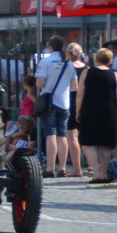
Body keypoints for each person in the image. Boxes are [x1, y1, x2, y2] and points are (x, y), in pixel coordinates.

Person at [34, 37, 76, 178]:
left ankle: (50, 168)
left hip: (50, 103)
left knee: (50, 134)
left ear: (50, 47)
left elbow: (40, 84)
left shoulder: (46, 61)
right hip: (64, 103)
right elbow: (74, 86)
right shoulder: (68, 63)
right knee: (62, 135)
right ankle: (62, 168)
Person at [76, 48, 117, 184]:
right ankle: (104, 173)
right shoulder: (114, 74)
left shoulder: (87, 72)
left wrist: (78, 111)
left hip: (90, 110)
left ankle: (96, 172)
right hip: (109, 111)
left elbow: (80, 93)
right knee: (105, 144)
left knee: (89, 143)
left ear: (97, 58)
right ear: (109, 60)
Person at [66, 42, 89, 178]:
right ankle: (91, 165)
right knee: (85, 135)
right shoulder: (87, 68)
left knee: (72, 137)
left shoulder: (68, 67)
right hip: (85, 103)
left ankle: (77, 168)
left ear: (69, 53)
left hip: (71, 101)